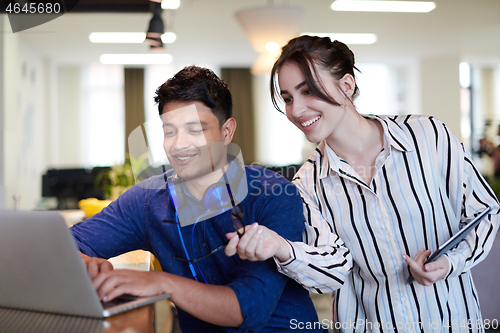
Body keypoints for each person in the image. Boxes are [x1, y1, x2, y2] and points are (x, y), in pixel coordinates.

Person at [225, 36, 500, 332]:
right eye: (289, 98)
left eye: (309, 91)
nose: (297, 109)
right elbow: (332, 270)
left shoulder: (428, 137)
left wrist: (449, 263)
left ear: (347, 85)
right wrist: (280, 247)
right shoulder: (307, 183)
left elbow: (484, 212)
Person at [71, 66, 325, 332]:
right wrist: (88, 265)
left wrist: (163, 284)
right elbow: (66, 245)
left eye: (195, 130)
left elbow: (247, 308)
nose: (179, 145)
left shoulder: (273, 195)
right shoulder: (147, 201)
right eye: (170, 131)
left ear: (227, 132)